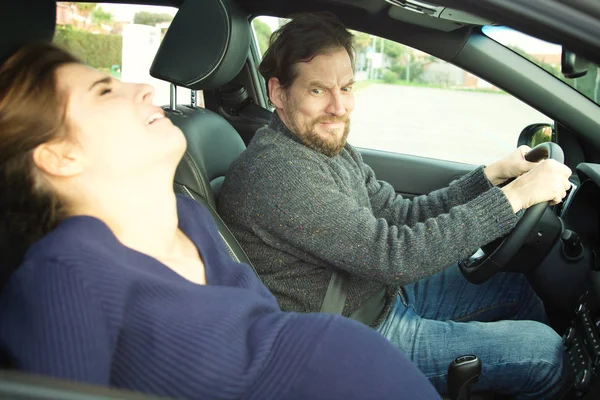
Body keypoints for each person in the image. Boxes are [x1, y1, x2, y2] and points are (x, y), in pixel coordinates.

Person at [0, 42, 443, 400]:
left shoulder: (190, 217)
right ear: (59, 156)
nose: (143, 88)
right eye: (103, 91)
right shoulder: (65, 271)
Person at [218, 12, 573, 399]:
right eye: (318, 90)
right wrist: (517, 197)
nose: (340, 107)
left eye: (347, 88)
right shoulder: (279, 172)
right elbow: (395, 255)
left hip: (379, 294)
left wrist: (490, 176)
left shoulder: (324, 148)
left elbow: (402, 216)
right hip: (351, 335)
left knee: (513, 286)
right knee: (546, 355)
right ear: (277, 93)